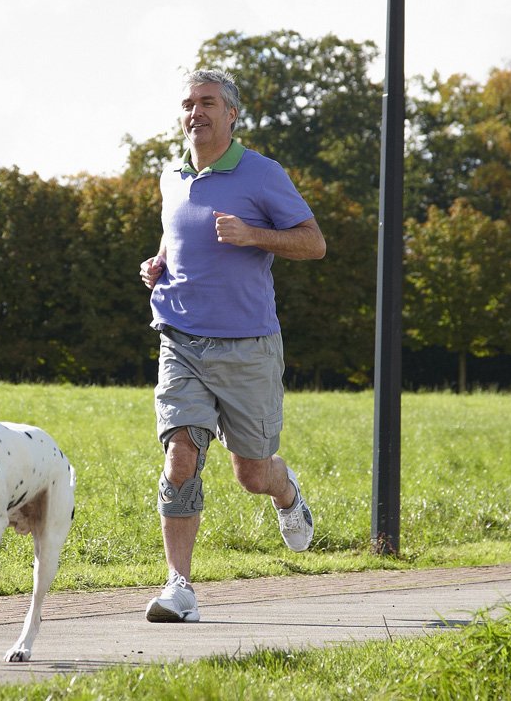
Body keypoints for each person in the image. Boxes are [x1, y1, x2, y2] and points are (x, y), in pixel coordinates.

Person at [137, 69, 325, 623]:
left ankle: (286, 490)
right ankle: (179, 586)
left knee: (251, 475)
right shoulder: (171, 177)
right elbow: (177, 238)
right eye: (189, 103)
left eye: (208, 103)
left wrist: (254, 235)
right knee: (181, 457)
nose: (196, 112)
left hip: (248, 350)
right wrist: (159, 264)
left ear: (232, 113)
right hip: (181, 342)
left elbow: (313, 243)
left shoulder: (262, 174)